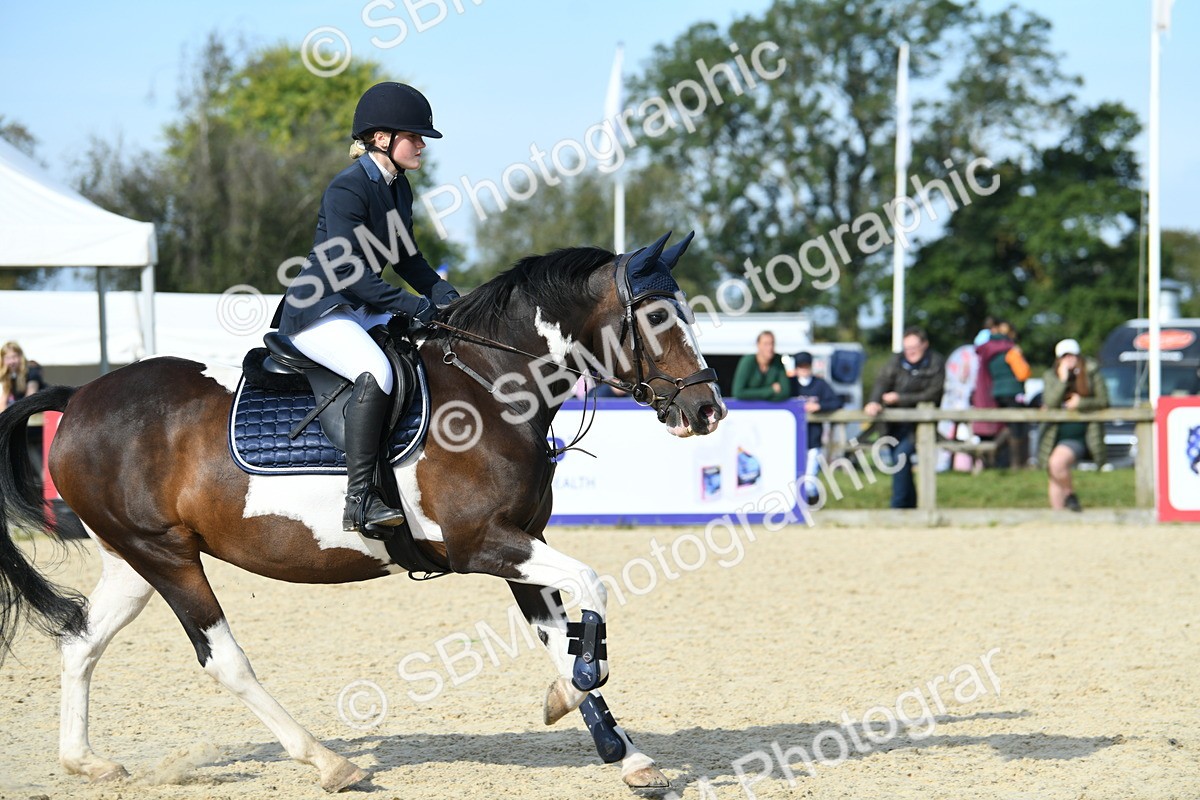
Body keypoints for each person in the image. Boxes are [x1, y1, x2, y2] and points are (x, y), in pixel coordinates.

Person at [271, 82, 460, 536]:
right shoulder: (347, 189)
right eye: (414, 137)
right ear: (382, 140)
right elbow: (350, 273)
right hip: (319, 307)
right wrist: (413, 304)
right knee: (377, 370)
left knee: (432, 350)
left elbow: (406, 256)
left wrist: (442, 294)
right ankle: (360, 499)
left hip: (357, 306)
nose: (421, 146)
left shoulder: (399, 187)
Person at [865, 326, 946, 508]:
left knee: (900, 456)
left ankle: (898, 506)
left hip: (920, 423)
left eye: (914, 347)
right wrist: (874, 401)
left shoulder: (936, 363)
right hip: (895, 423)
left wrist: (900, 398)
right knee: (900, 459)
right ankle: (910, 504)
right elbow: (882, 381)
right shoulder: (896, 360)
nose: (910, 352)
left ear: (925, 345)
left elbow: (933, 393)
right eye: (907, 348)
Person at [1037, 338, 1108, 511]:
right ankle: (1059, 518)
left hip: (1080, 433)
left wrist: (1081, 403)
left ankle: (1069, 494)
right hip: (1053, 433)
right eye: (1064, 356)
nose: (1069, 359)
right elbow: (1051, 402)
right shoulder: (1051, 376)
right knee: (1053, 475)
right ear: (1058, 359)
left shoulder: (1091, 373)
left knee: (1056, 464)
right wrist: (1062, 381)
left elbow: (1104, 401)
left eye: (1072, 355)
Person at [971, 319, 1031, 466]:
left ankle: (993, 452)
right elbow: (1023, 373)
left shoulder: (988, 349)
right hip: (1012, 391)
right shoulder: (1011, 350)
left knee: (1006, 426)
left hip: (996, 392)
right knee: (1016, 428)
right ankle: (1015, 464)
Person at [789, 352, 843, 504]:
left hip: (813, 440)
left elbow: (837, 402)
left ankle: (812, 508)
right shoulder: (790, 383)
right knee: (793, 481)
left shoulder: (820, 384)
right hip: (792, 441)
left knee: (809, 483)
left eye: (806, 366)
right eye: (800, 366)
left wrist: (819, 406)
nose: (803, 369)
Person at [732, 331, 789, 401]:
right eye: (766, 344)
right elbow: (738, 392)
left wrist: (753, 394)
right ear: (758, 345)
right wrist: (770, 390)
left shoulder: (777, 361)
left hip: (771, 410)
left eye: (772, 343)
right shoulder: (747, 362)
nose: (770, 347)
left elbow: (786, 392)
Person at [1, 341, 42, 408]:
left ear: (20, 356)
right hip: (22, 409)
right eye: (7, 358)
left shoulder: (31, 370)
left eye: (14, 357)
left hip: (38, 410)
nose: (12, 361)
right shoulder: (9, 375)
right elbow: (2, 401)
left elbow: (30, 399)